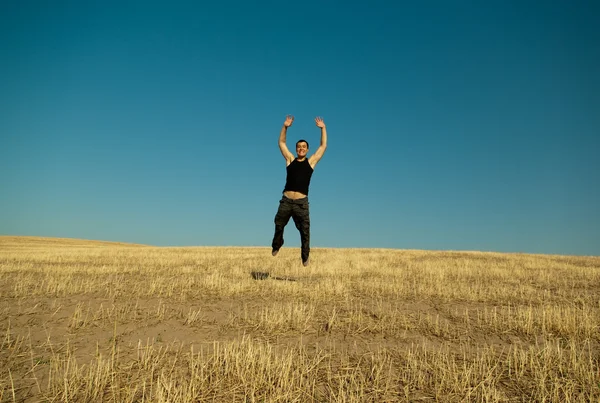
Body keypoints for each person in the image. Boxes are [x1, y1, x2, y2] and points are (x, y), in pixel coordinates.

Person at [271, 115, 327, 266]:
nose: (301, 149)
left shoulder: (311, 163)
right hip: (286, 201)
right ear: (296, 149)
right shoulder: (290, 160)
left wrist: (323, 128)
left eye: (304, 147)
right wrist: (285, 127)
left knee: (305, 231)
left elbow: (322, 147)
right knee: (278, 224)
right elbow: (281, 142)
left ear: (307, 150)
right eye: (299, 147)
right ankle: (277, 244)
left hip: (301, 203)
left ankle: (305, 256)